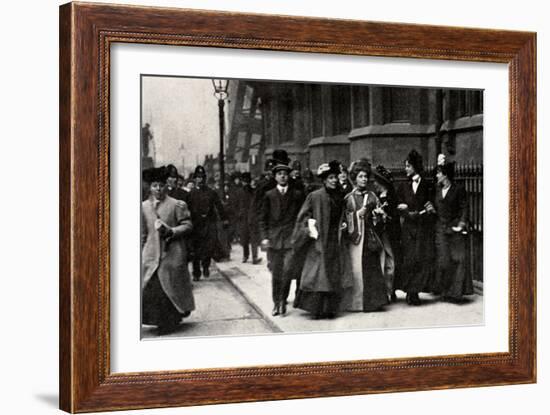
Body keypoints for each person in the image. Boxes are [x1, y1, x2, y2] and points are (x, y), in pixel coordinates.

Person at [293, 161, 352, 319]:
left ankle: (330, 309)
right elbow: (303, 217)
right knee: (319, 274)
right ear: (324, 180)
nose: (334, 180)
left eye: (335, 178)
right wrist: (310, 229)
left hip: (335, 239)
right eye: (331, 178)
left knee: (333, 272)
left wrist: (344, 223)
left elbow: (343, 215)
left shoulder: (340, 197)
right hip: (319, 239)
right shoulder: (315, 196)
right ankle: (317, 309)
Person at [141, 166, 195, 334]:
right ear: (150, 187)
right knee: (152, 288)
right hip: (151, 253)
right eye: (154, 185)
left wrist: (172, 231)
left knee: (170, 286)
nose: (158, 189)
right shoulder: (143, 207)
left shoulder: (177, 205)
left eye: (161, 185)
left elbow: (187, 225)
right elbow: (142, 233)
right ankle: (157, 320)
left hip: (171, 253)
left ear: (166, 186)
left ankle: (169, 321)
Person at [340, 159, 389, 312]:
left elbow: (382, 217)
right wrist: (356, 215)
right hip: (356, 240)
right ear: (354, 178)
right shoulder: (349, 198)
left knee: (372, 268)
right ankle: (357, 303)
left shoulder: (373, 196)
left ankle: (374, 302)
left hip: (370, 237)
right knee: (357, 269)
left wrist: (379, 215)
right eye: (361, 176)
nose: (364, 179)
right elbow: (344, 219)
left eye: (366, 176)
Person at [260, 164, 305, 316]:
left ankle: (282, 301)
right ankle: (276, 303)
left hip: (291, 240)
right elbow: (263, 219)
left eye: (285, 174)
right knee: (276, 273)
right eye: (279, 174)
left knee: (287, 271)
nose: (283, 176)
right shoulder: (269, 195)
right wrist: (265, 237)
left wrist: (299, 235)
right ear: (275, 177)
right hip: (274, 240)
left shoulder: (297, 195)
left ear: (289, 176)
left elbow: (302, 216)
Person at [396, 149, 436, 305]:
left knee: (420, 260)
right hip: (408, 229)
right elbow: (398, 205)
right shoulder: (403, 186)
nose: (406, 169)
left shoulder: (427, 185)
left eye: (408, 166)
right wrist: (406, 212)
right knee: (409, 260)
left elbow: (430, 205)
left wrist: (421, 214)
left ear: (415, 167)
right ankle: (409, 291)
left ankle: (415, 292)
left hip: (422, 228)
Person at [432, 161, 473, 302]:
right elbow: (434, 208)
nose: (436, 175)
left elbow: (464, 208)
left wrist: (461, 224)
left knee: (457, 260)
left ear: (445, 175)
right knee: (443, 261)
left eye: (438, 173)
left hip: (454, 229)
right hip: (440, 230)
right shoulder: (436, 190)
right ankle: (443, 289)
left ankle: (454, 293)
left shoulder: (458, 189)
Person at [186, 165, 225, 281]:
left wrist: (224, 219)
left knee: (208, 248)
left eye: (202, 177)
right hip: (196, 225)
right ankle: (196, 272)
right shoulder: (190, 194)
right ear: (195, 179)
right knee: (196, 250)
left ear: (205, 178)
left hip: (209, 223)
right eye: (198, 177)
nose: (200, 179)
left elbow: (219, 206)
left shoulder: (211, 193)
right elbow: (186, 209)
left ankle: (206, 266)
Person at [371, 165, 401, 303]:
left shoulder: (392, 196)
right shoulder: (376, 196)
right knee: (380, 261)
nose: (374, 183)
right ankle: (382, 291)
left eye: (376, 181)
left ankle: (390, 290)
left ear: (382, 183)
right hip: (379, 233)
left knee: (390, 260)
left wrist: (385, 215)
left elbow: (395, 216)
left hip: (390, 233)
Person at [235, 172, 261, 264]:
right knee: (245, 238)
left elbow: (258, 204)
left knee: (253, 238)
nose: (245, 183)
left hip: (252, 217)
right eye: (244, 181)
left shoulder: (254, 192)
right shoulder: (239, 192)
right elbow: (235, 205)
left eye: (247, 181)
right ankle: (246, 255)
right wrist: (238, 214)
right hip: (244, 218)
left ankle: (253, 257)